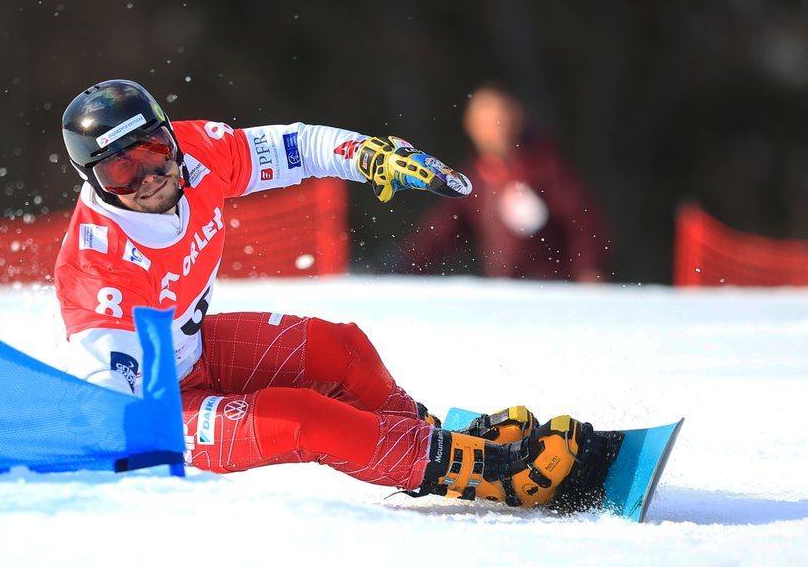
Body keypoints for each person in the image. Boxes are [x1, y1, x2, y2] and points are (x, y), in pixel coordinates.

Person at [55, 79, 613, 510]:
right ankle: (478, 472)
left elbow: (297, 147)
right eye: (119, 171)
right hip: (165, 412)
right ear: (91, 180)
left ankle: (426, 441)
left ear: (170, 136)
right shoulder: (96, 265)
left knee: (338, 346)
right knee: (307, 419)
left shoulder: (198, 153)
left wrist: (370, 155)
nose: (147, 176)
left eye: (152, 150)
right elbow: (115, 409)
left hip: (195, 350)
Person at [404, 81, 608, 281]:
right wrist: (405, 267)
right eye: (486, 123)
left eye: (501, 119)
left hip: (552, 291)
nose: (496, 130)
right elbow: (442, 232)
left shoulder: (544, 166)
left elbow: (583, 221)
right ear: (470, 126)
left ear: (518, 119)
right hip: (504, 294)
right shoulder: (472, 179)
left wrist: (590, 270)